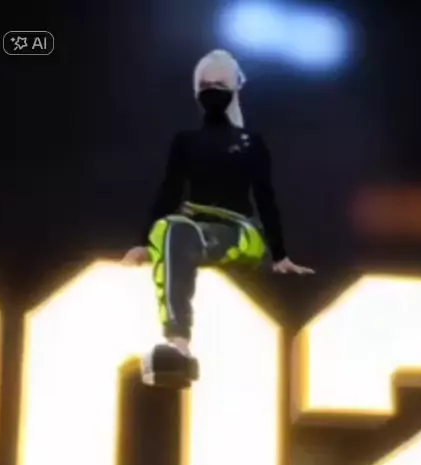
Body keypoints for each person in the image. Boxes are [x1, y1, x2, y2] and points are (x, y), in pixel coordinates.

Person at [123, 49, 314, 388]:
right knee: (171, 229)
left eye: (220, 85)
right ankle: (178, 343)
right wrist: (141, 243)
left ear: (236, 87)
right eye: (205, 85)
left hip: (241, 231)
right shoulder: (186, 141)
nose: (212, 91)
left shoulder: (251, 143)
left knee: (175, 231)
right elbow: (170, 191)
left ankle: (178, 345)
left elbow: (265, 198)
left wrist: (280, 255)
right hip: (192, 226)